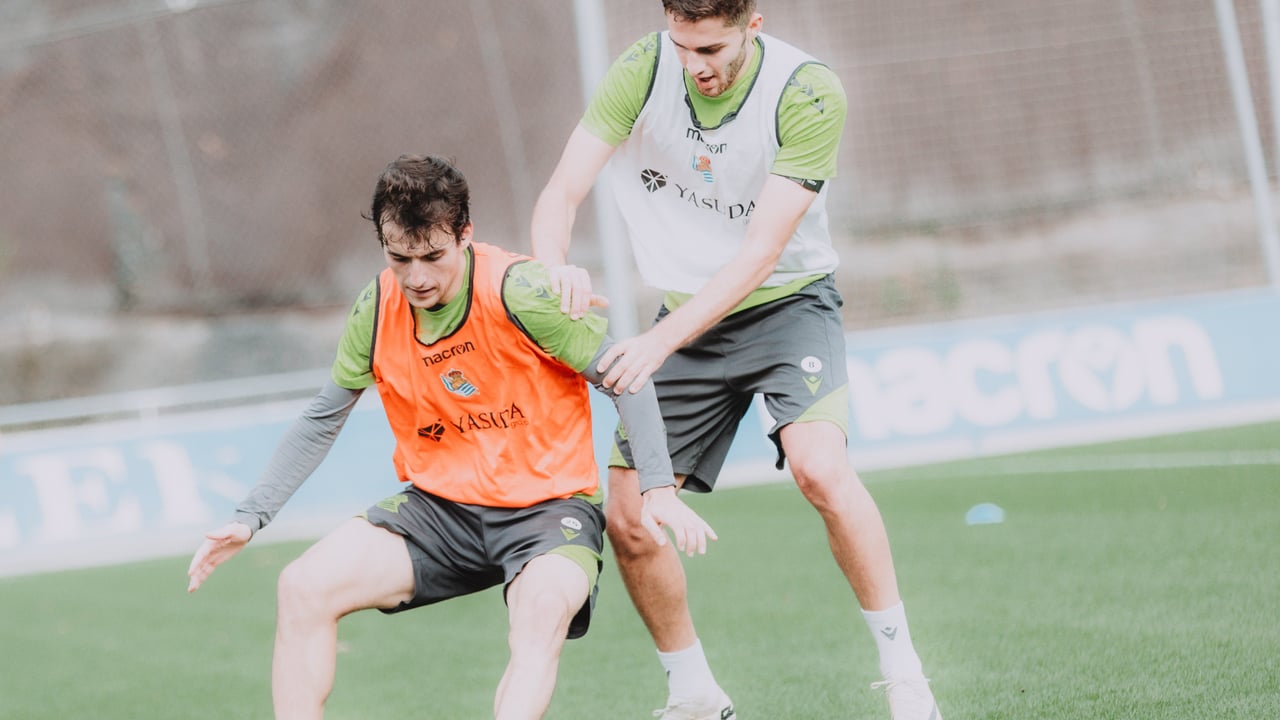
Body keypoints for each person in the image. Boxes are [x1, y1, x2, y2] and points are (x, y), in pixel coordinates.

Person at [187, 154, 717, 720]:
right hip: (439, 512)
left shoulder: (521, 292)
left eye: (433, 256)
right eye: (399, 258)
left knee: (539, 619)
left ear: (465, 235)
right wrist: (251, 515)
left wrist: (657, 488)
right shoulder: (376, 308)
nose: (416, 277)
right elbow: (323, 417)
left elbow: (629, 379)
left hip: (547, 511)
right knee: (301, 586)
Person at [530, 2, 943, 719]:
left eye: (712, 49)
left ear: (753, 23)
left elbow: (760, 255)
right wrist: (552, 265)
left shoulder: (807, 90)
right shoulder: (641, 70)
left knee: (819, 467)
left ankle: (904, 674)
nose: (696, 66)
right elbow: (560, 194)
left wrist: (657, 343)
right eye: (683, 45)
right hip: (686, 316)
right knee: (628, 516)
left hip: (788, 304)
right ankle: (693, 694)